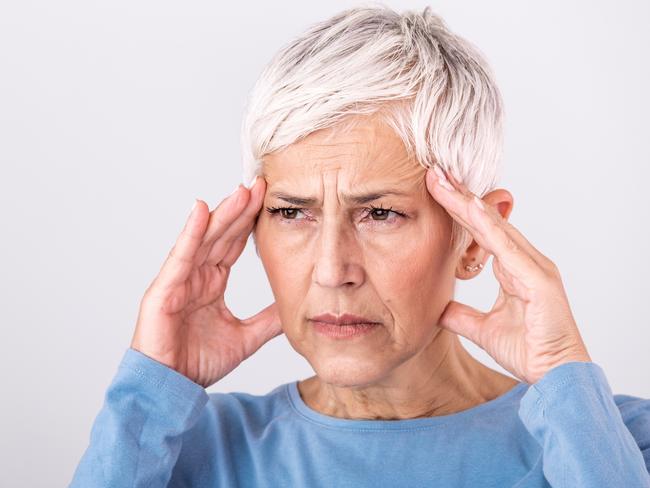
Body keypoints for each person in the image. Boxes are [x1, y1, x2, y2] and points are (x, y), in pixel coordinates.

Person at [69, 5, 650, 487]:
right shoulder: (178, 451)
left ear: (475, 239)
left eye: (380, 213)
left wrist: (564, 382)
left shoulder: (615, 444)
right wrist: (150, 391)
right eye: (292, 212)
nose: (330, 270)